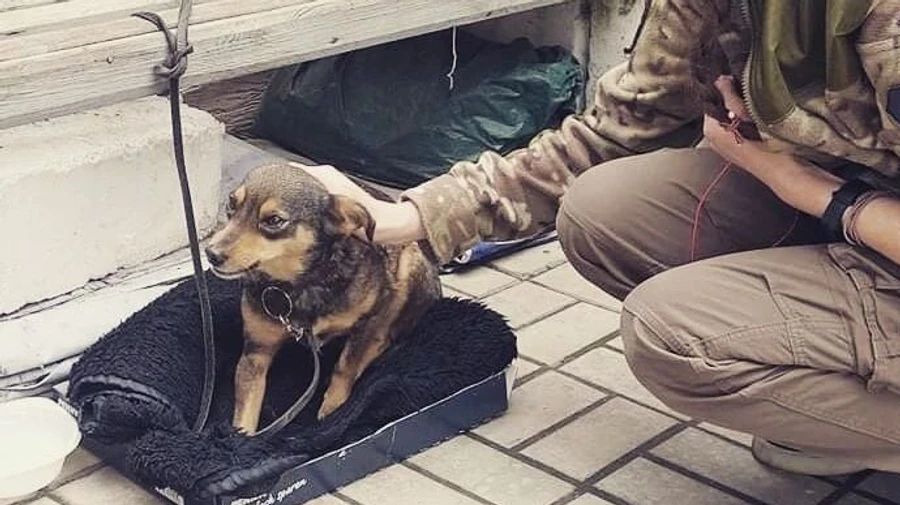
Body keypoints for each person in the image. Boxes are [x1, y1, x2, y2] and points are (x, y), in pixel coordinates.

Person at [306, 0, 900, 476]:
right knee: (604, 212)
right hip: (864, 217)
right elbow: (616, 128)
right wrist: (403, 217)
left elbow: (803, 184)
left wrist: (804, 187)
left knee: (675, 334)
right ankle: (841, 406)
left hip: (860, 216)